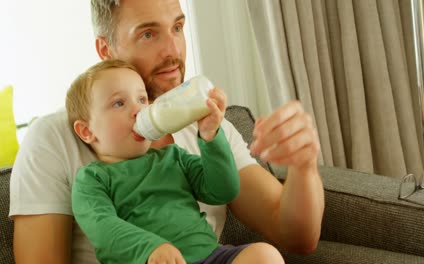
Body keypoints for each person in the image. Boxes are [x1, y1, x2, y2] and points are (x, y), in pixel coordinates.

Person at [10, 0, 325, 263]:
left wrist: (304, 165)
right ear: (106, 48)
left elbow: (296, 237)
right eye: (148, 34)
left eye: (177, 28)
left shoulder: (209, 130)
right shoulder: (53, 139)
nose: (173, 50)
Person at [66, 59, 284, 264]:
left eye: (142, 100)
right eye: (119, 103)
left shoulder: (174, 157)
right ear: (86, 131)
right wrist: (150, 248)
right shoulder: (92, 178)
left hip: (210, 256)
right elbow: (102, 228)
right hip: (150, 260)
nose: (138, 110)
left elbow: (223, 190)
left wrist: (211, 137)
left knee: (265, 255)